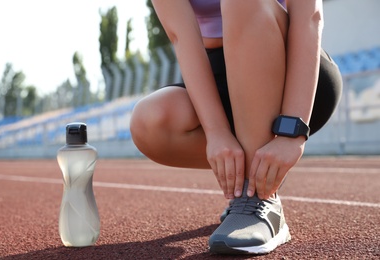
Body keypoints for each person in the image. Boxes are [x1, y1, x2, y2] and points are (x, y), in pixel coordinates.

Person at [130, 0, 342, 255]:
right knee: (150, 122)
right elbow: (180, 36)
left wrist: (292, 131)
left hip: (294, 69)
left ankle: (260, 200)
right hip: (219, 72)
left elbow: (310, 17)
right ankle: (252, 180)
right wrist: (216, 131)